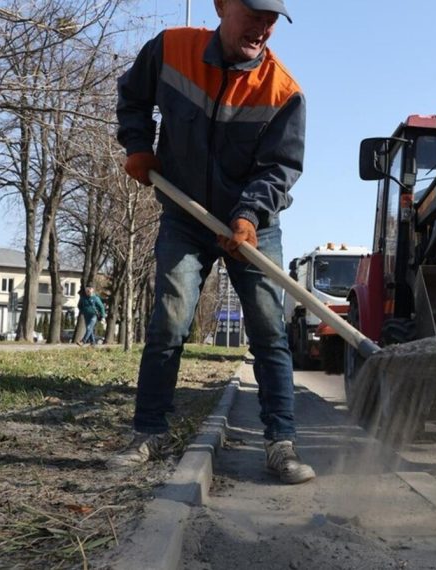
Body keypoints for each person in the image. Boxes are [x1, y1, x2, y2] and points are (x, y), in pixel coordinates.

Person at [111, 0, 312, 484]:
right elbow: (133, 97)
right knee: (169, 322)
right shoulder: (171, 49)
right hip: (186, 215)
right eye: (254, 13)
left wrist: (247, 217)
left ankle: (280, 443)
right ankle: (149, 431)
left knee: (268, 332)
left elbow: (279, 169)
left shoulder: (282, 91)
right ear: (222, 5)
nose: (263, 27)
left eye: (271, 20)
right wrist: (138, 144)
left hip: (253, 227)